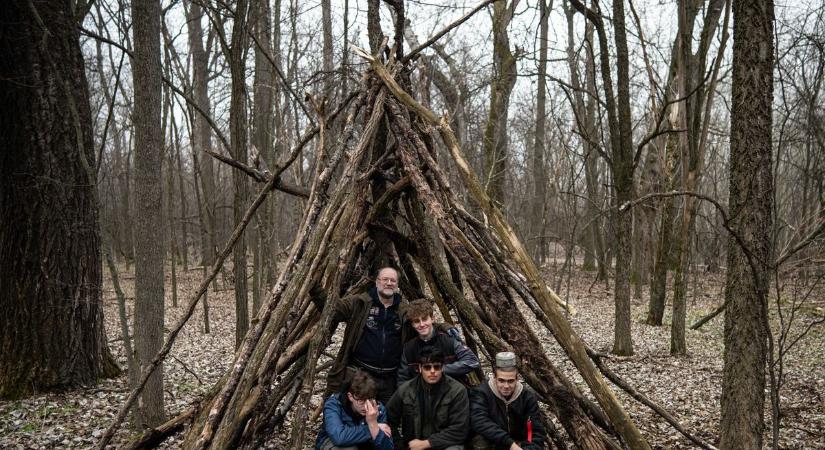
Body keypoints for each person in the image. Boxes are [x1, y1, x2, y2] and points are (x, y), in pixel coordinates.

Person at [319, 267, 411, 404]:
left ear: (397, 285)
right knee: (355, 415)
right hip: (361, 375)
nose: (389, 283)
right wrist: (316, 289)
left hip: (389, 379)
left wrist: (446, 327)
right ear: (377, 282)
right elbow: (333, 309)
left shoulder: (404, 310)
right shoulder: (360, 303)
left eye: (393, 280)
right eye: (385, 279)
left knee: (384, 420)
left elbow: (424, 325)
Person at [386, 347, 470, 450]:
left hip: (446, 445)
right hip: (413, 445)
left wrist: (428, 443)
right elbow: (388, 420)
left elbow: (460, 429)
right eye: (427, 367)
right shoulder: (406, 390)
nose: (432, 371)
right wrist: (399, 446)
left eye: (437, 367)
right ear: (420, 368)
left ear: (442, 368)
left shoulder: (457, 391)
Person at [469, 352, 546, 450]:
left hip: (520, 444)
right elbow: (479, 421)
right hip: (494, 442)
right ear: (494, 378)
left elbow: (535, 431)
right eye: (501, 381)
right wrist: (510, 444)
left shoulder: (527, 397)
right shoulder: (481, 393)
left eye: (510, 381)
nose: (506, 386)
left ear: (517, 379)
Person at [396, 299, 480, 387]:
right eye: (417, 321)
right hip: (423, 396)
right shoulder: (409, 348)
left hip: (453, 393)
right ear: (412, 324)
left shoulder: (448, 340)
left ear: (432, 319)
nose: (421, 324)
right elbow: (402, 380)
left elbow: (472, 361)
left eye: (424, 319)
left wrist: (440, 370)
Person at [316, 369, 394, 450]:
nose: (366, 406)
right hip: (331, 445)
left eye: (370, 399)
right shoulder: (334, 404)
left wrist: (373, 422)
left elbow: (387, 447)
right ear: (350, 396)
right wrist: (373, 428)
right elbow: (339, 437)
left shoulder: (379, 409)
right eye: (361, 401)